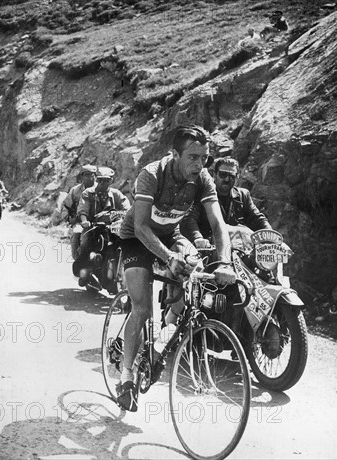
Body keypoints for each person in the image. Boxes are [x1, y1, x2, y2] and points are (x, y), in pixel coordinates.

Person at [116, 125, 236, 412]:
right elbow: (143, 226)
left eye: (205, 158)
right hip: (135, 237)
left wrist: (225, 263)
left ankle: (162, 340)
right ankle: (127, 376)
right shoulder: (151, 174)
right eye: (193, 157)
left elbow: (219, 225)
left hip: (172, 235)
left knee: (195, 278)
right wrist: (168, 257)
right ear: (174, 155)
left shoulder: (204, 179)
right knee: (142, 308)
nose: (200, 165)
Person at [181, 156, 272, 248]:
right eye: (223, 174)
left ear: (237, 177)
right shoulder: (201, 193)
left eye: (231, 176)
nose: (227, 179)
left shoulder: (243, 195)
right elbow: (190, 218)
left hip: (238, 247)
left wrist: (271, 236)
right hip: (210, 247)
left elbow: (257, 218)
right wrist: (198, 238)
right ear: (214, 174)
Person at [74, 167, 130, 285]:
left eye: (107, 180)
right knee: (86, 242)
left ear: (111, 180)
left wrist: (127, 217)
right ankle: (83, 268)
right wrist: (85, 221)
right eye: (100, 180)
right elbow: (83, 210)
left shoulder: (116, 194)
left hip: (112, 228)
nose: (103, 183)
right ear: (97, 180)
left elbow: (127, 209)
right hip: (93, 227)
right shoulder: (88, 193)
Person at [61, 165, 97, 260]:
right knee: (77, 235)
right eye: (86, 175)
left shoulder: (100, 189)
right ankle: (79, 262)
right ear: (81, 177)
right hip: (80, 222)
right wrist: (69, 219)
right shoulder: (75, 191)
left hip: (98, 221)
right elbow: (65, 206)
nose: (89, 177)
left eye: (92, 175)